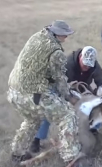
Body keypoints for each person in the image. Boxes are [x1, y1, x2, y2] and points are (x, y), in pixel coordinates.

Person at [7, 20, 84, 165]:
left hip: (14, 91)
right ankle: (72, 157)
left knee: (32, 120)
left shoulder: (36, 36)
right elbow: (60, 79)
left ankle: (17, 155)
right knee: (68, 116)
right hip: (33, 94)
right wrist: (69, 96)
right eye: (65, 35)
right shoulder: (56, 52)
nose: (66, 38)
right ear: (58, 34)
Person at [29, 46, 102, 153]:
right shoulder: (67, 64)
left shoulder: (93, 64)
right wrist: (70, 98)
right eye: (85, 64)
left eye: (89, 66)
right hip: (63, 89)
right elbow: (59, 84)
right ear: (80, 57)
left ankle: (92, 130)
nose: (86, 67)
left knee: (96, 106)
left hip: (81, 91)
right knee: (48, 112)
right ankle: (36, 140)